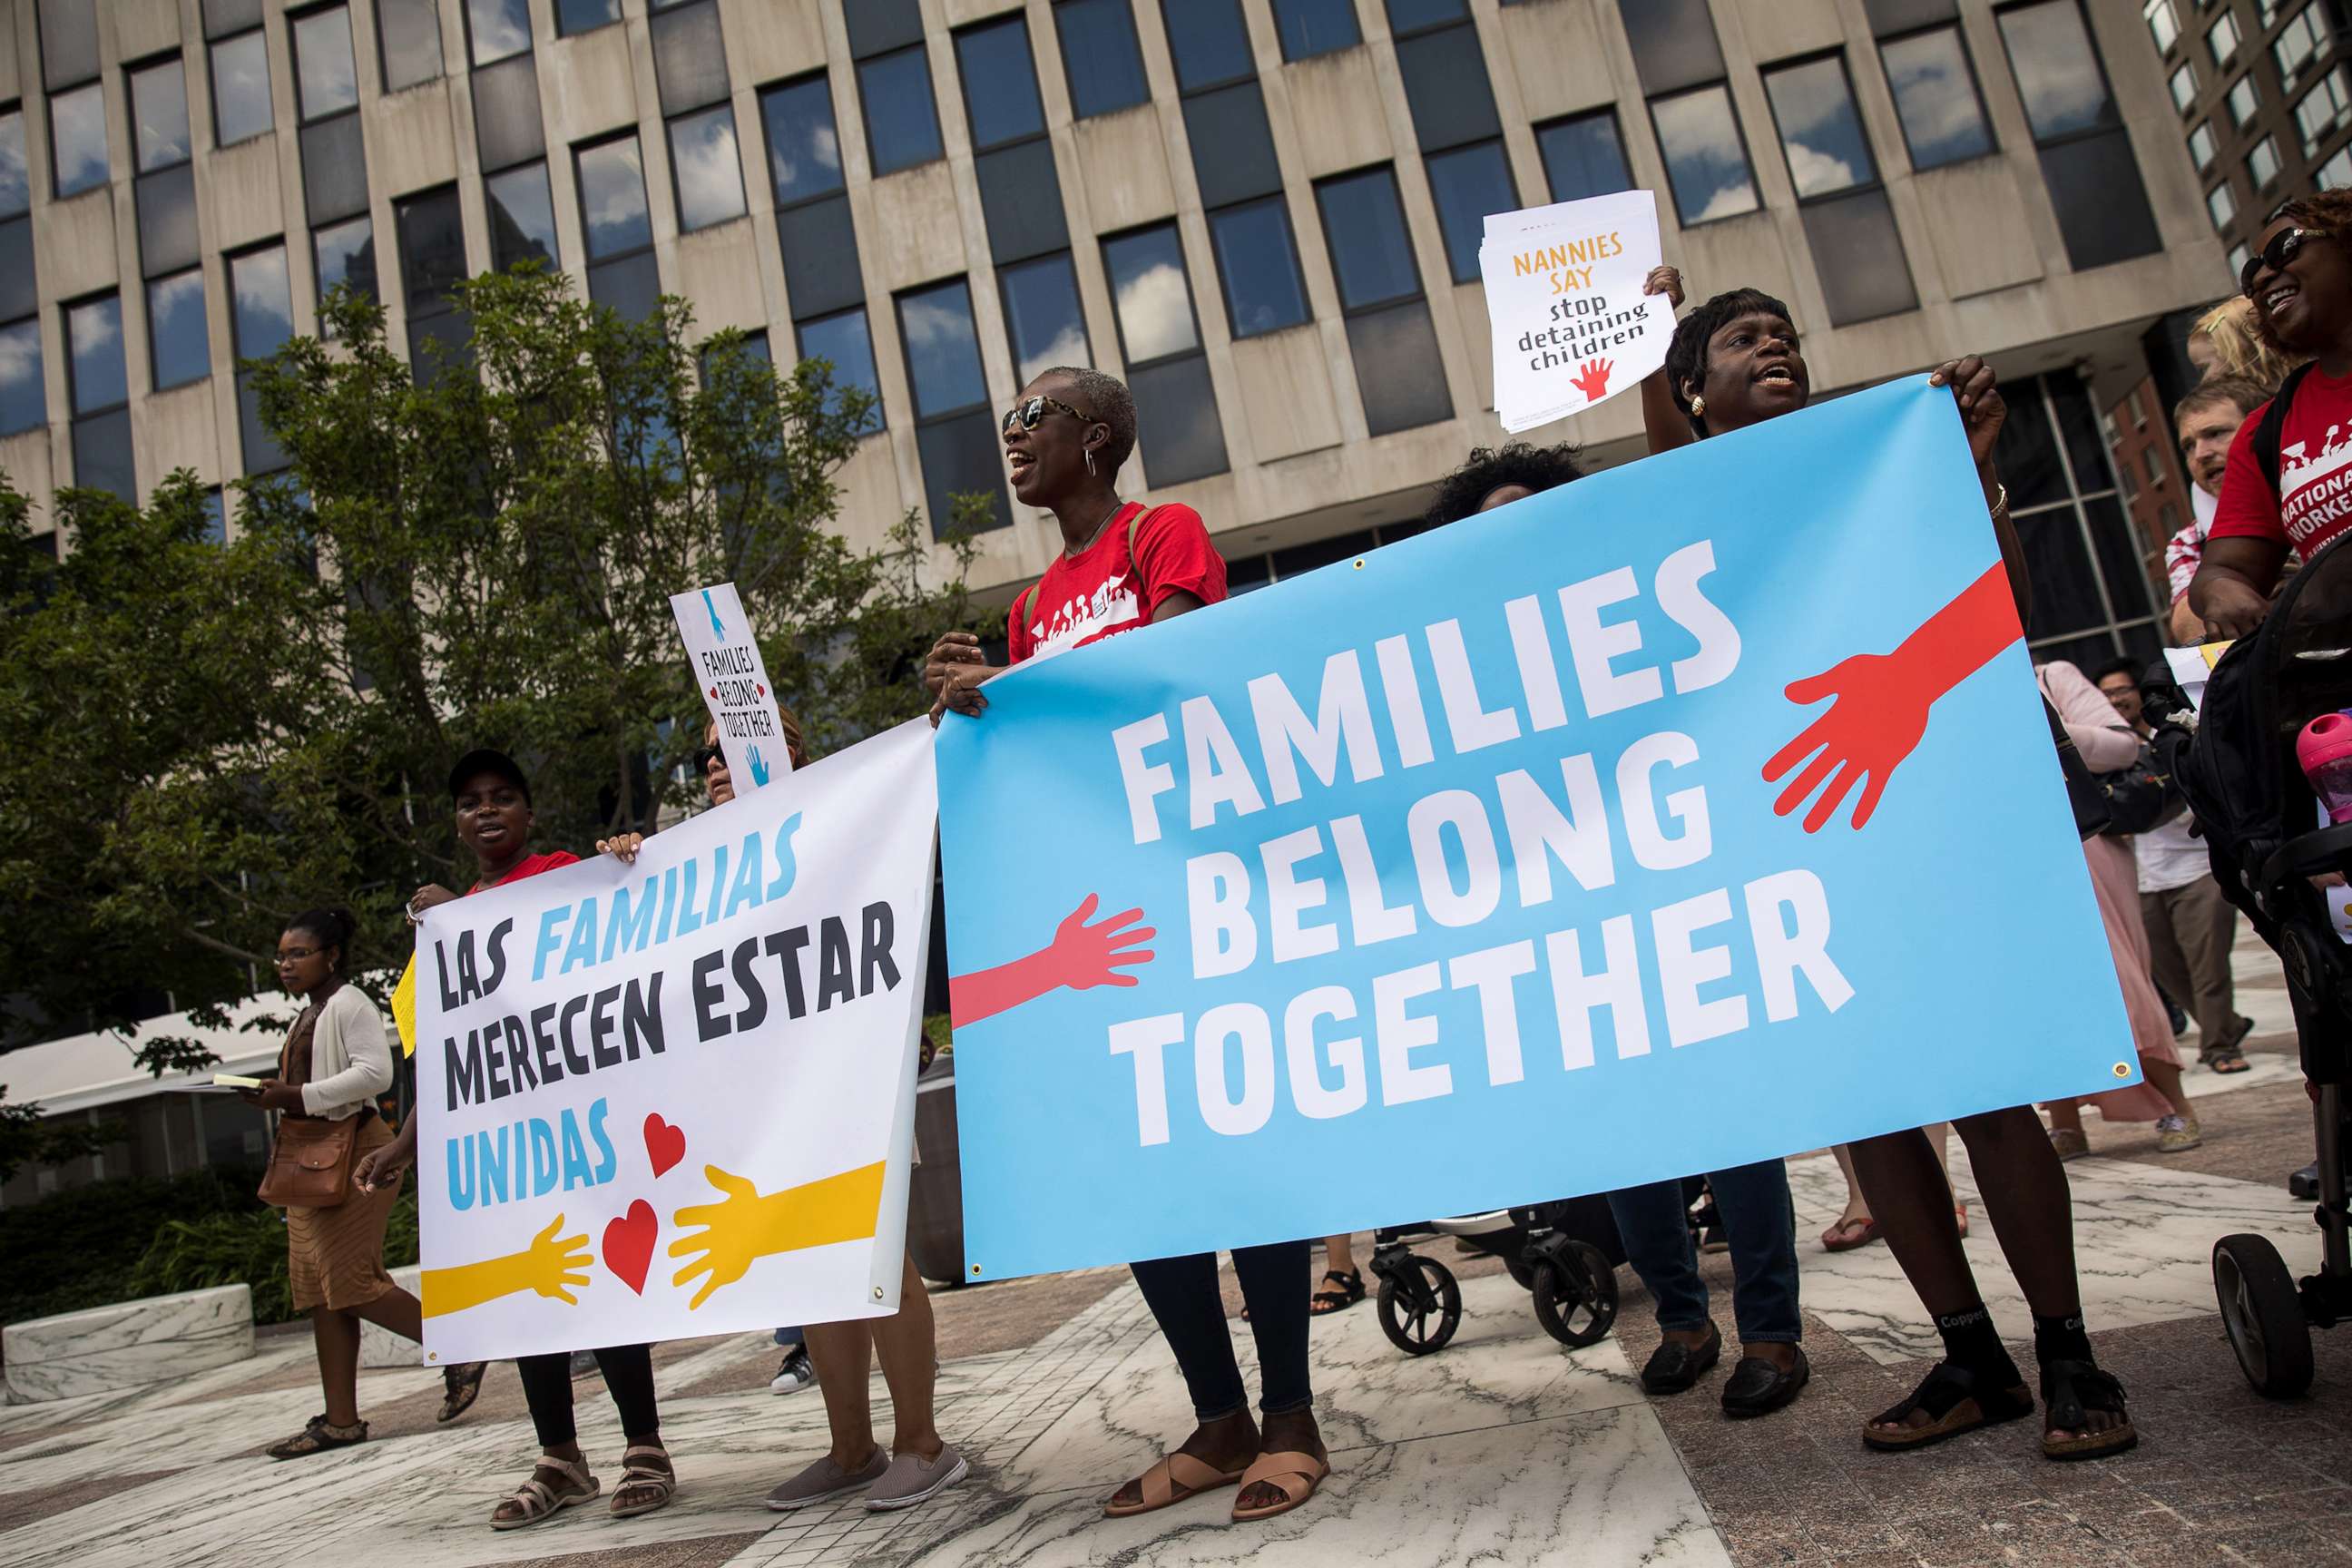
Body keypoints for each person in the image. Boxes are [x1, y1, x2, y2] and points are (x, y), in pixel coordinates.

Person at [1651, 281, 2139, 1461]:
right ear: (1691, 395)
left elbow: (1996, 594)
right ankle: (1972, 1360)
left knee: (1984, 1092)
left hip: (1910, 814)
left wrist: (1968, 474)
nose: (1777, 344)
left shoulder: (1874, 461)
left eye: (1788, 333)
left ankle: (2069, 1352)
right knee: (1868, 1116)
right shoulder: (1676, 510)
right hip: (1783, 837)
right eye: (1742, 339)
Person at [926, 367, 1328, 1524]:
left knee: (1232, 1137)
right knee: (1140, 1156)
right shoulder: (1031, 599)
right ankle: (1219, 1416)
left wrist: (1013, 686)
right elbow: (1039, 747)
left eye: (1030, 419)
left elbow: (1175, 666)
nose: (1011, 437)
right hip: (1101, 917)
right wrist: (971, 707)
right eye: (1006, 419)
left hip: (1197, 882)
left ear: (1094, 440)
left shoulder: (1165, 532)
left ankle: (1293, 1411)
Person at [604, 716, 969, 1514]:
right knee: (811, 1270)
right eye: (702, 756)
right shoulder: (695, 855)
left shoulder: (838, 818)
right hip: (765, 1100)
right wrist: (627, 869)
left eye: (726, 748)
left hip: (848, 1078)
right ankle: (851, 1450)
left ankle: (923, 1444)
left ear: (783, 753)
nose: (712, 766)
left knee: (877, 1261)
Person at [356, 748, 677, 1530]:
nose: (487, 811)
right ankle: (561, 1458)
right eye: (471, 802)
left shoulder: (566, 874)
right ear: (458, 824)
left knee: (609, 1279)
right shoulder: (447, 924)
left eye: (503, 797)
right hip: (514, 1149)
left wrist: (626, 857)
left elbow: (637, 917)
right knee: (534, 1293)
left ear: (528, 814)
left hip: (586, 1128)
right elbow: (448, 1055)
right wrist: (404, 1146)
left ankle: (646, 1447)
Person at [245, 908, 467, 1457]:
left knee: (351, 1281)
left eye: (299, 953)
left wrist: (292, 1096)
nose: (286, 964)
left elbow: (377, 1074)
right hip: (311, 1157)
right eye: (282, 955)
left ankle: (458, 1348)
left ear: (332, 956)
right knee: (320, 1292)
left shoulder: (350, 1004)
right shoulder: (309, 1013)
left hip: (356, 1150)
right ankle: (340, 1421)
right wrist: (274, 1093)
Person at [2036, 663, 2205, 1155]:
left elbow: (2124, 747)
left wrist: (2039, 728)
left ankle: (2176, 1105)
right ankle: (2065, 1121)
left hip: (2084, 845)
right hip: (2005, 858)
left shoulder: (2051, 676)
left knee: (2116, 977)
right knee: (2040, 991)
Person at [2191, 193, 2352, 641]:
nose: (2262, 276)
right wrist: (2222, 590)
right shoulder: (2267, 430)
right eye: (2251, 273)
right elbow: (2222, 569)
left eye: (2285, 248)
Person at [2093, 658, 2253, 1075]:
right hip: (2142, 877)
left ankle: (2219, 1045)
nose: (2116, 699)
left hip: (2196, 870)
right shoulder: (2100, 754)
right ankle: (2227, 1023)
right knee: (2167, 971)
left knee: (2208, 967)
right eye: (2106, 694)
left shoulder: (2176, 737)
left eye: (2122, 690)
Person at [2163, 377, 2270, 644]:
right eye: (2188, 446)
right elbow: (2193, 631)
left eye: (2215, 434)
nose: (2200, 454)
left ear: (2263, 428)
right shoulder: (2188, 542)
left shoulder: (2309, 497)